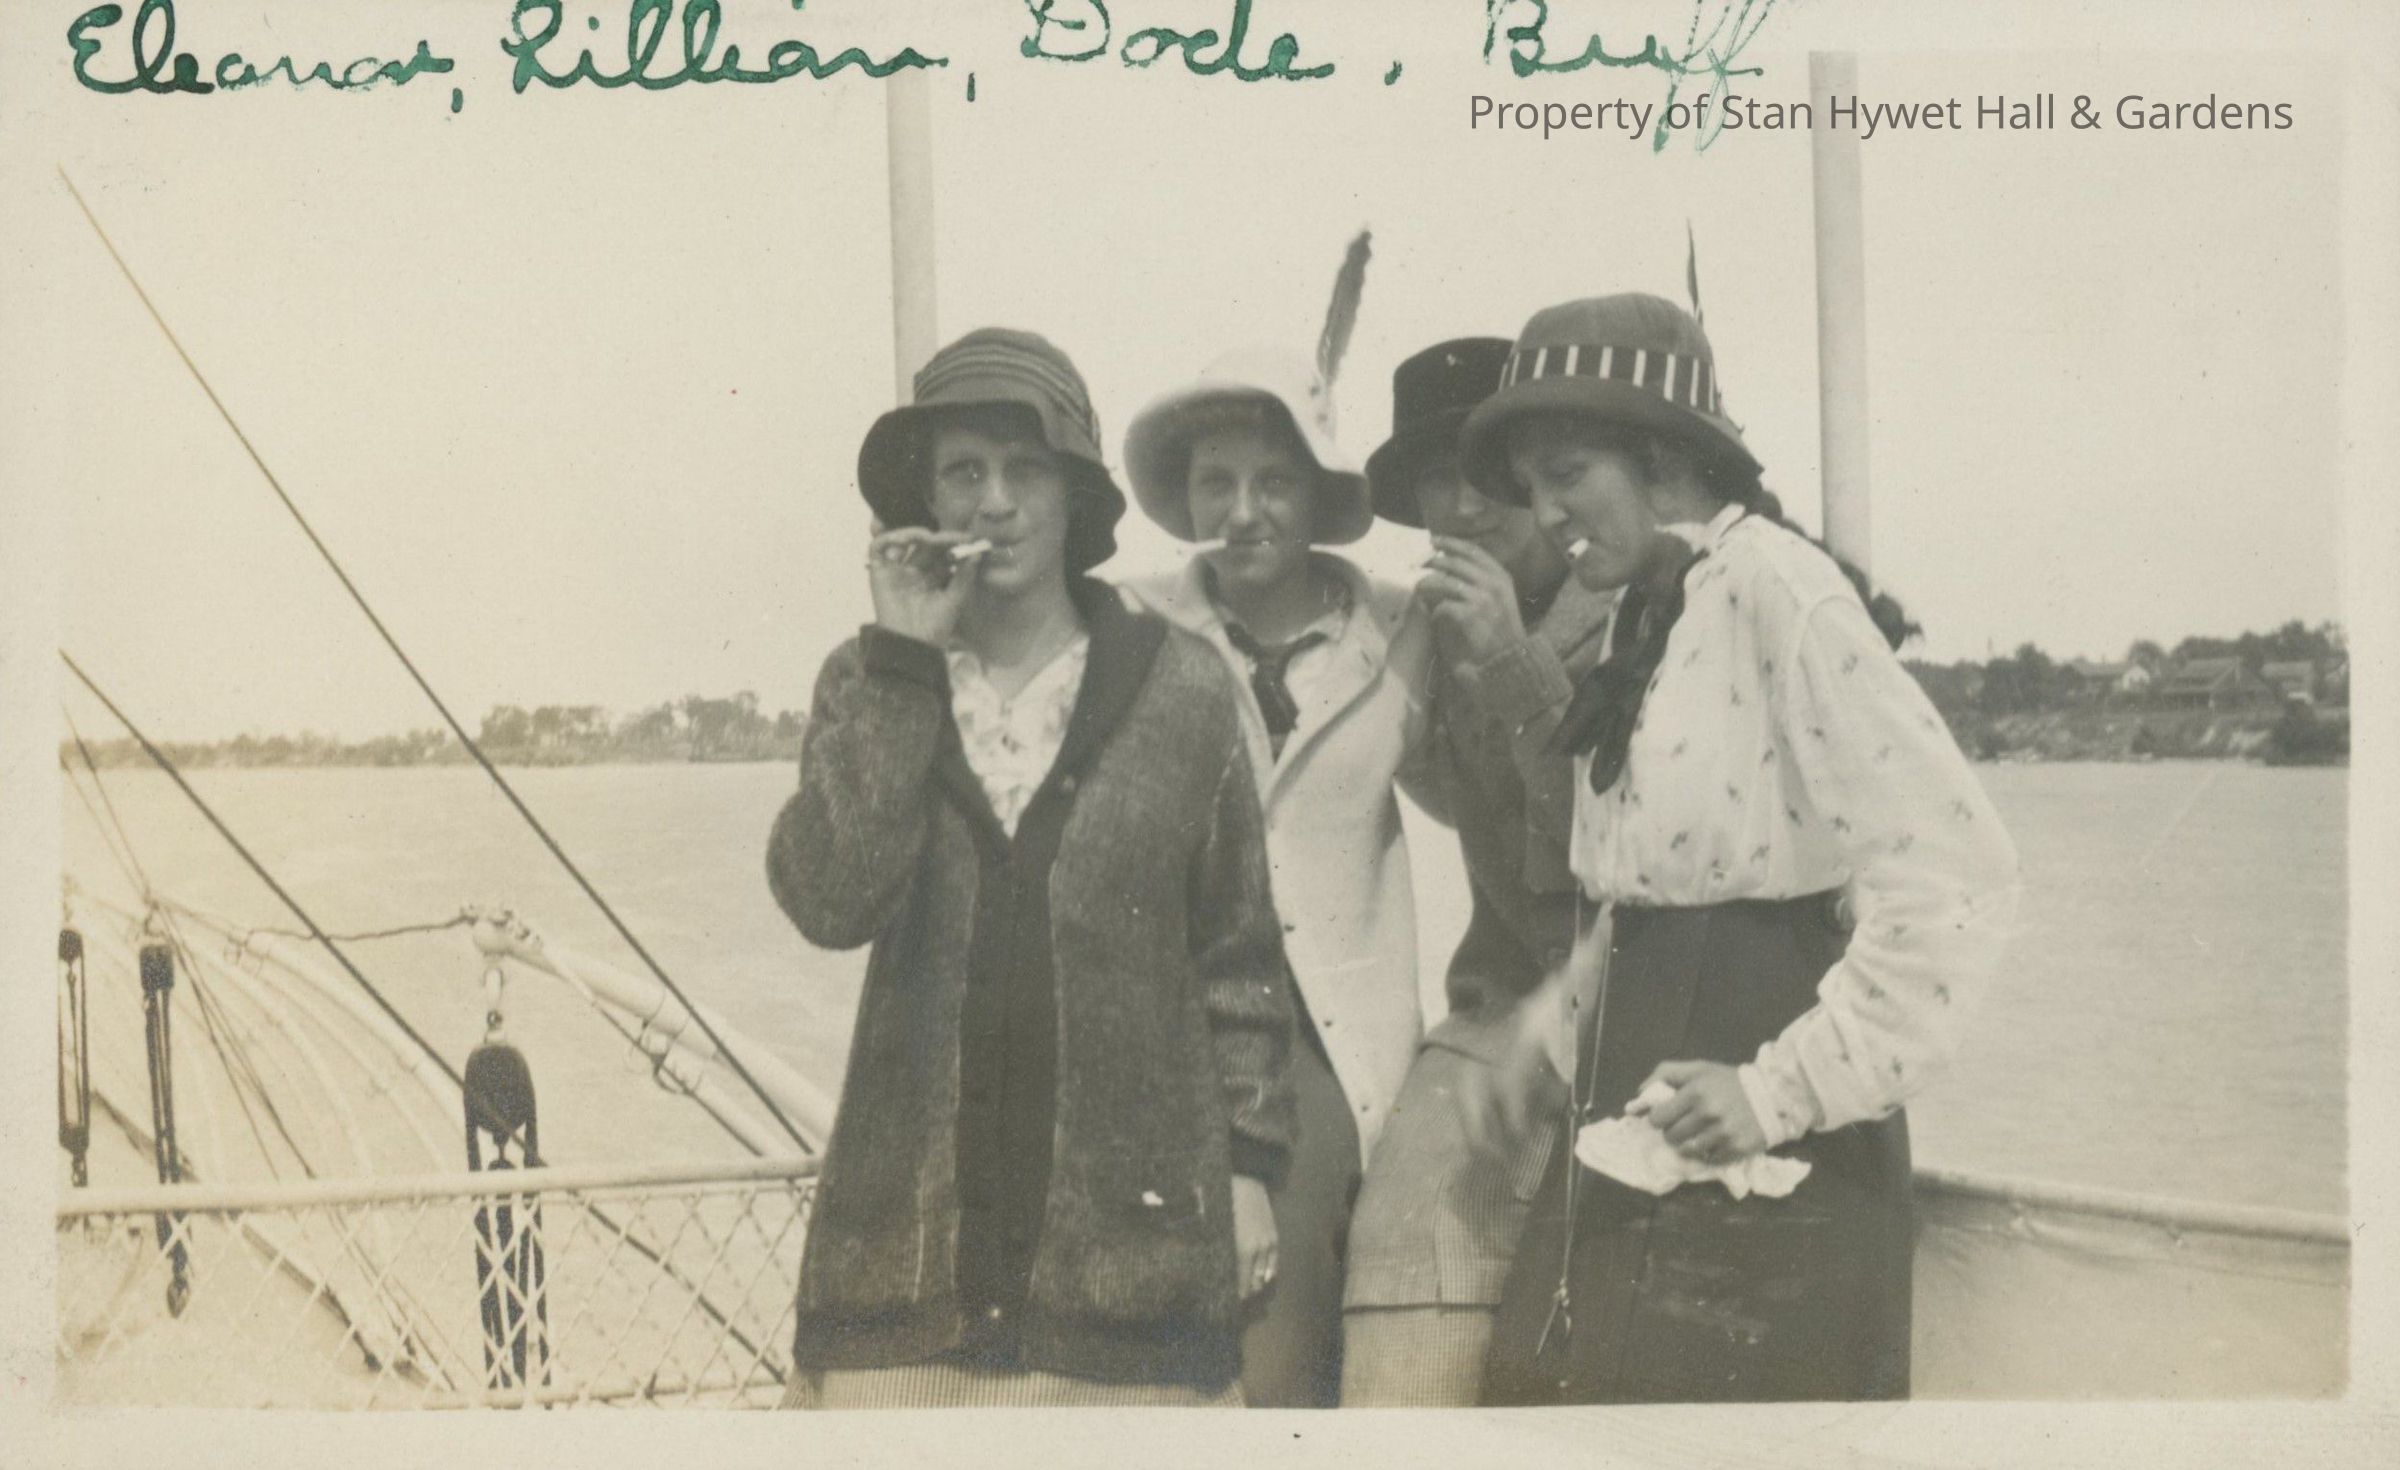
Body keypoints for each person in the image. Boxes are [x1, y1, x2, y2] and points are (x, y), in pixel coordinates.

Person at [1462, 294, 2022, 1404]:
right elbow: (1648, 884)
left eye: (1567, 472)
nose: (1546, 512)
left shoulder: (1779, 586)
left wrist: (1775, 1092)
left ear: (1666, 458)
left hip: (1761, 1136)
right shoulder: (1645, 610)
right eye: (1531, 485)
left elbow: (1960, 876)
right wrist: (1548, 1025)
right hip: (1629, 1113)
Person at [767, 327, 1296, 1408]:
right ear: (924, 499)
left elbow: (1238, 958)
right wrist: (906, 661)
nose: (995, 503)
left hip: (1129, 1294)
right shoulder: (868, 679)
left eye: (1025, 470)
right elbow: (830, 899)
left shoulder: (1184, 690)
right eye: (964, 472)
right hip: (903, 1294)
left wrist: (1247, 1172)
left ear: (1074, 495)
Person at [1119, 348, 1434, 1407]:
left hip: (1343, 1050)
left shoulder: (1406, 631)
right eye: (1215, 483)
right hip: (1181, 1033)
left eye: (1275, 482)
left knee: (1297, 1357)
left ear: (1318, 495)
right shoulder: (1131, 628)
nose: (1243, 511)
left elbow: (1494, 801)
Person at [1335, 338, 1623, 1404]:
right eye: (1432, 484)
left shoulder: (1630, 612)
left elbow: (1603, 850)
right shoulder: (1440, 628)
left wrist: (1510, 660)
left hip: (1638, 1013)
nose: (1459, 509)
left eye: (1485, 475)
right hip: (1499, 1012)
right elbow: (1454, 800)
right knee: (1401, 1246)